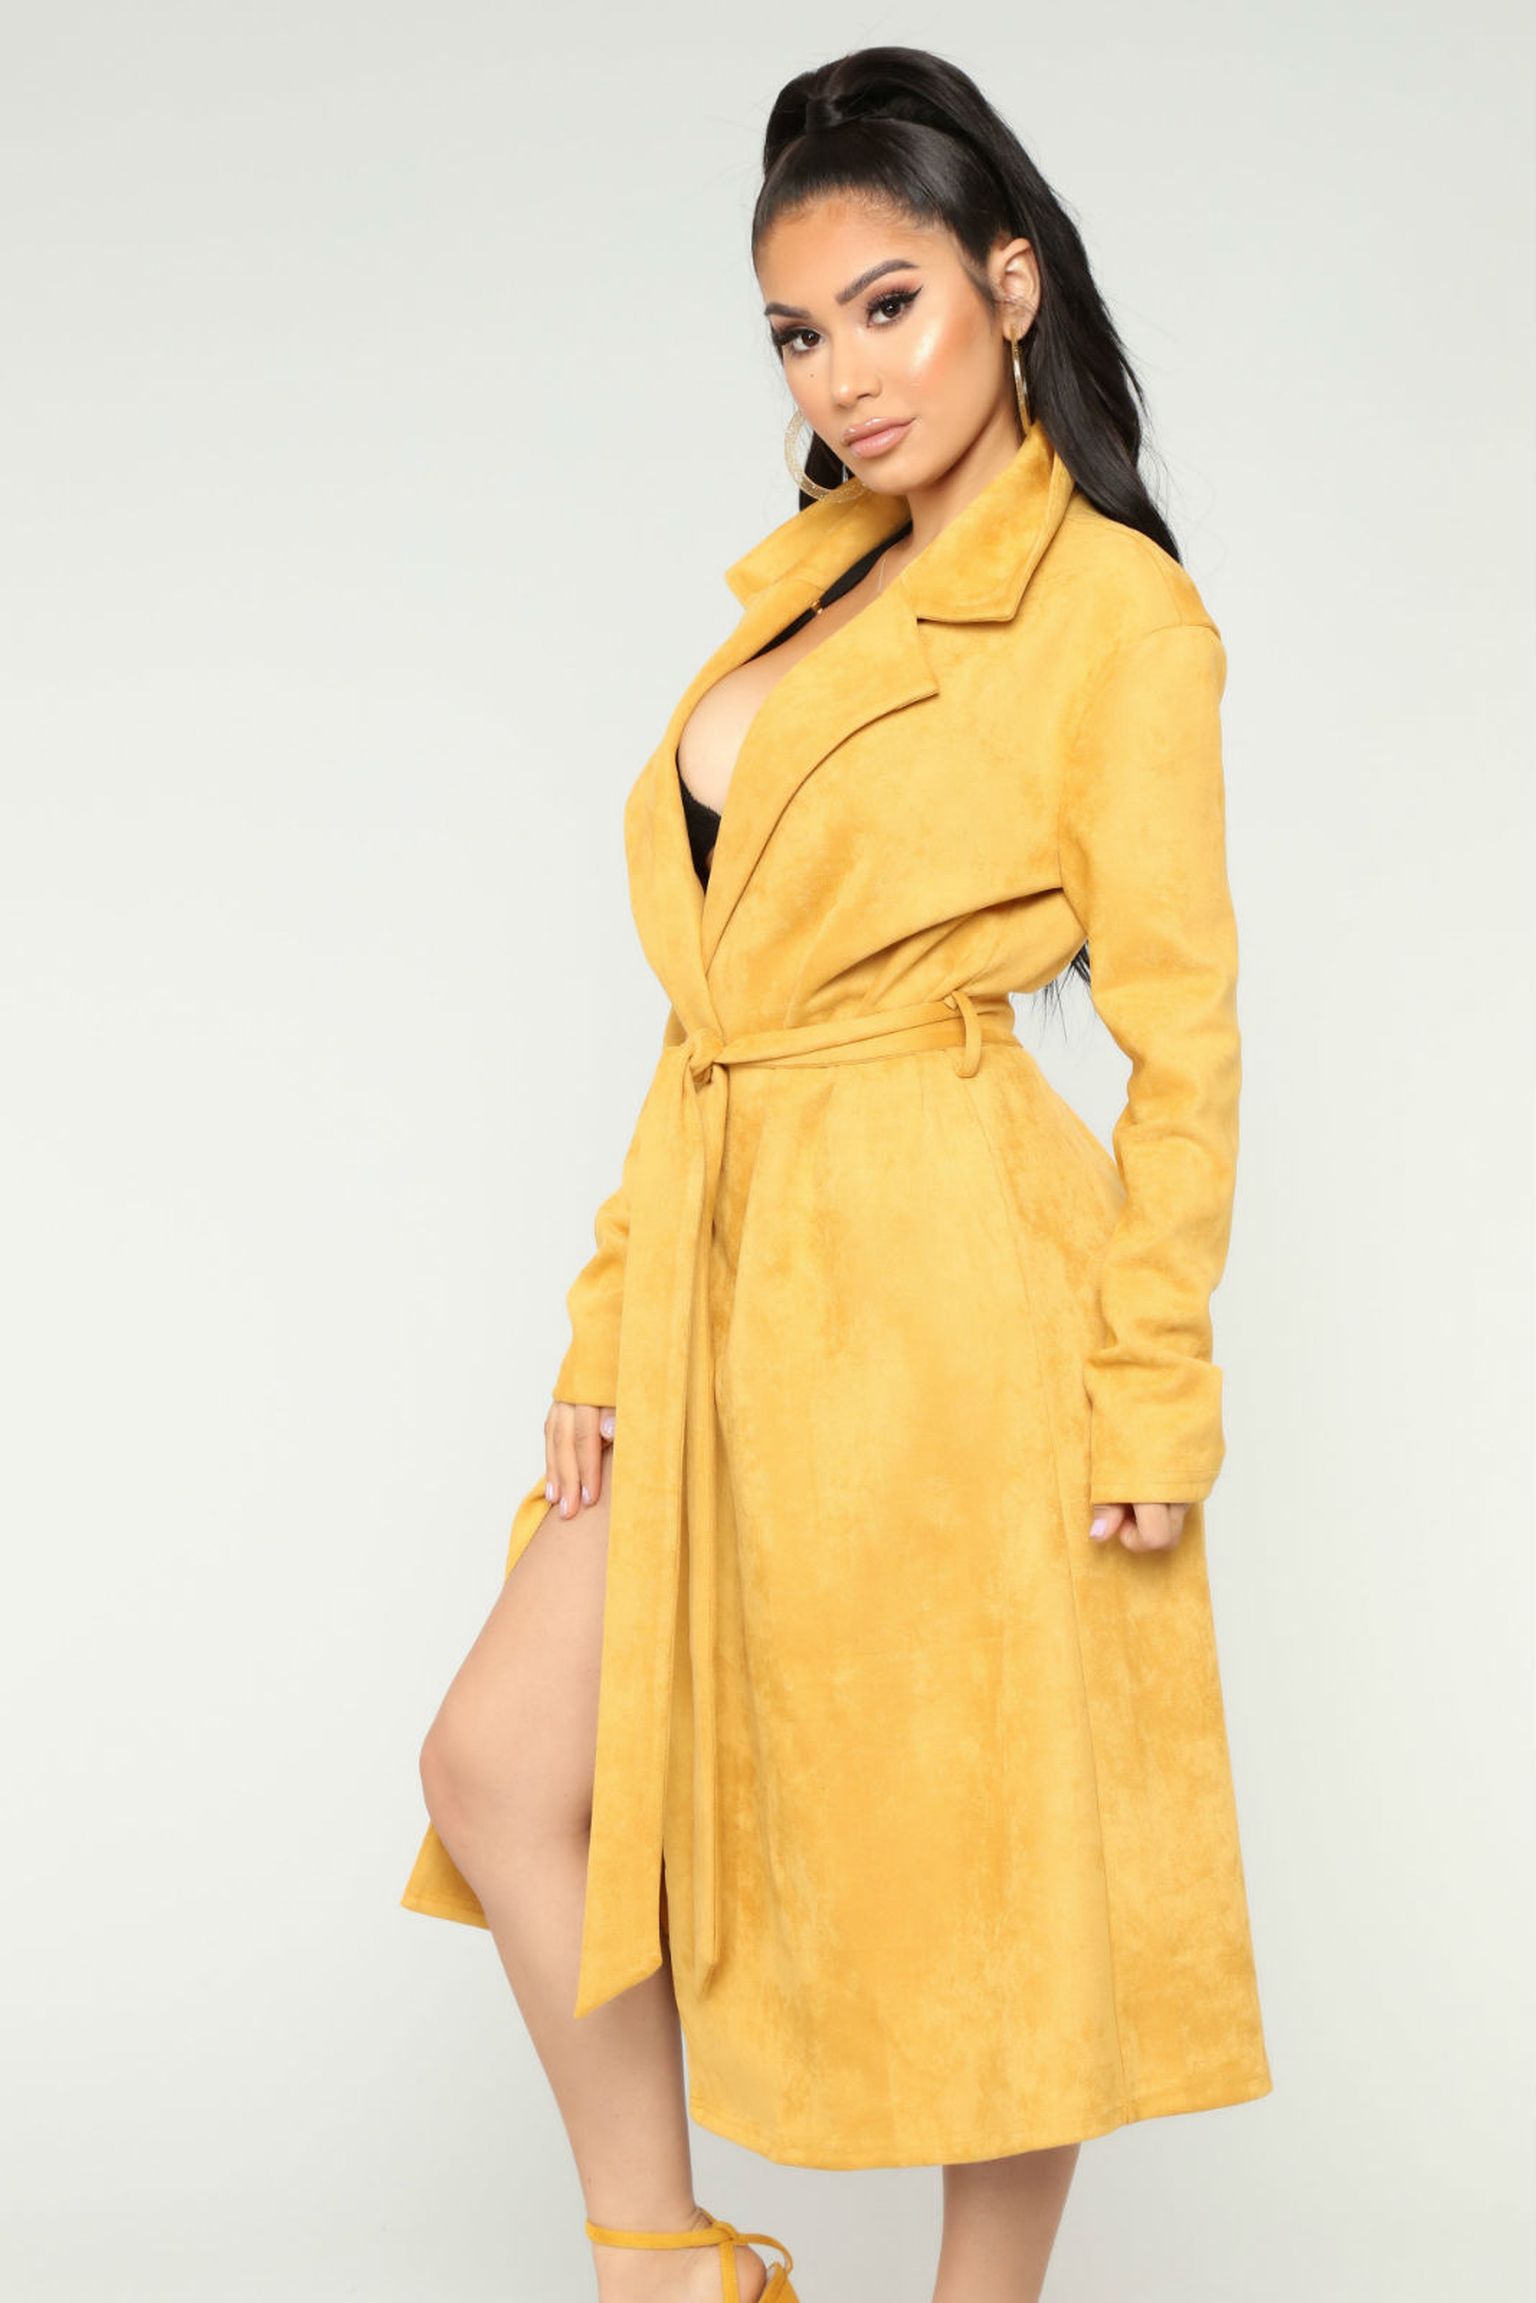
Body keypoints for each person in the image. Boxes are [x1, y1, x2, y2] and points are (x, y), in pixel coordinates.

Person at [399, 43, 1273, 2303]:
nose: (846, 375)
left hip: (955, 1283)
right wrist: (609, 1325)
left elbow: (1186, 1038)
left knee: (995, 1839)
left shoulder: (1113, 616)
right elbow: (713, 1011)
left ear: (1009, 284)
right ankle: (667, 2258)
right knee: (499, 1760)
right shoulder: (809, 590)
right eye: (799, 332)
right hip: (727, 1261)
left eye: (890, 306)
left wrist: (1151, 1389)